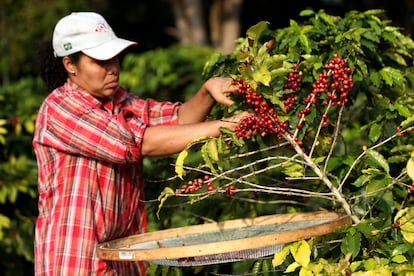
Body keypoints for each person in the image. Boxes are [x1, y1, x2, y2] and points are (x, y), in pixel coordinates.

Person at [33, 11, 247, 275]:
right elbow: (136, 143)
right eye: (100, 61)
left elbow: (177, 120)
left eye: (114, 58)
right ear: (70, 65)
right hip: (76, 259)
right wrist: (227, 126)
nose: (113, 68)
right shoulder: (60, 108)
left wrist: (208, 91)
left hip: (123, 259)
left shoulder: (121, 101)